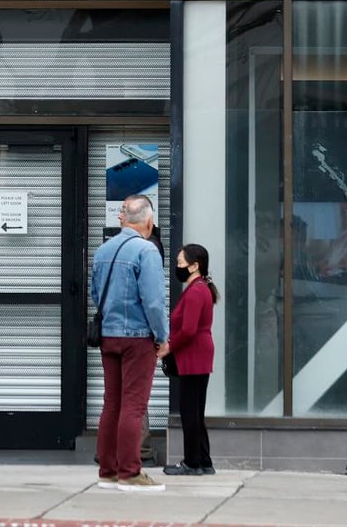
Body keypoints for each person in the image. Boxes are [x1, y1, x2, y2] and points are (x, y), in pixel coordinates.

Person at [91, 194, 168, 492]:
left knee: (112, 403)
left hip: (108, 335)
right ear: (149, 221)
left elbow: (95, 294)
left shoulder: (103, 250)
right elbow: (153, 302)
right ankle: (130, 472)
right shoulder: (147, 251)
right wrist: (162, 337)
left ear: (125, 218)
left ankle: (108, 471)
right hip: (137, 337)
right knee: (134, 406)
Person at [163, 243, 218, 477]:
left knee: (189, 411)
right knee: (195, 410)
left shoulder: (196, 291)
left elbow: (188, 330)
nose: (177, 267)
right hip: (198, 355)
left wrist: (168, 347)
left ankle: (192, 462)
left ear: (195, 266)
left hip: (193, 356)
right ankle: (204, 460)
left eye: (180, 263)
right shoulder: (200, 288)